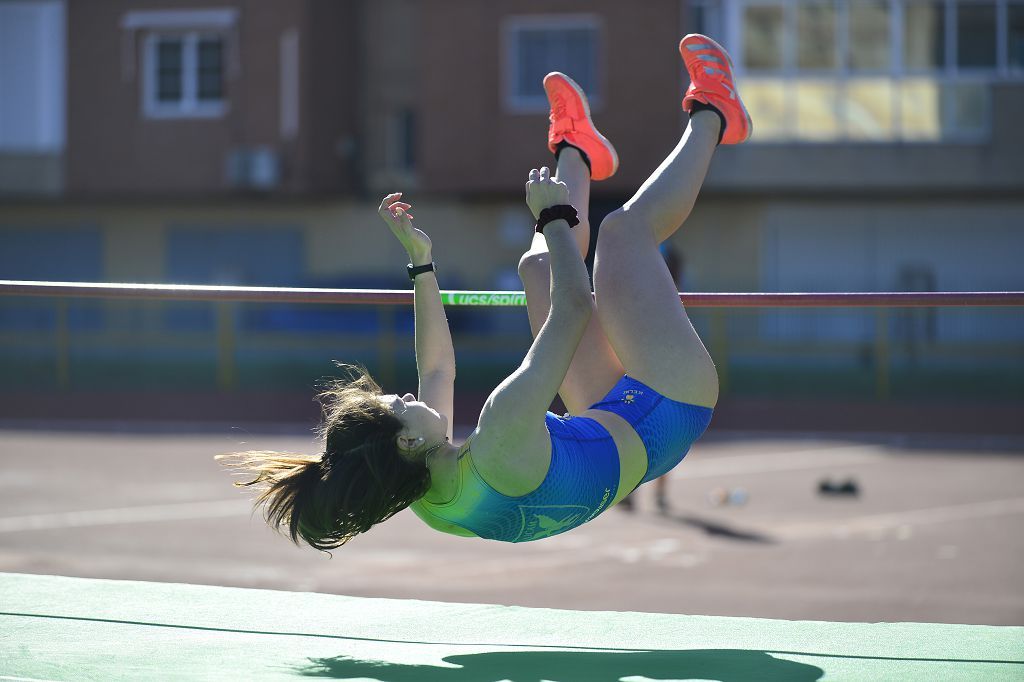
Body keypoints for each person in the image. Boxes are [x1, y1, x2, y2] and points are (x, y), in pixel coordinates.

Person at [219, 34, 750, 549]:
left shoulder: (424, 490)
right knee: (620, 235)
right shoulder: (499, 428)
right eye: (399, 403)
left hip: (609, 421)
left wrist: (421, 264)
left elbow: (437, 371)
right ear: (406, 440)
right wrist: (555, 216)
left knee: (536, 268)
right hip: (671, 403)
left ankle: (579, 150)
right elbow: (573, 307)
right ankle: (715, 110)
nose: (407, 394)